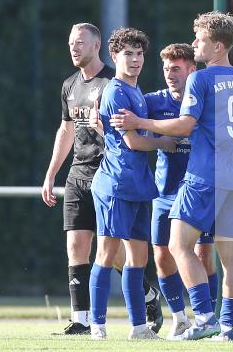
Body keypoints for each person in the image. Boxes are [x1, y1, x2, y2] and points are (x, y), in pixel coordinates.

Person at [111, 12, 233, 342]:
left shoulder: (201, 78)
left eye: (200, 38)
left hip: (203, 177)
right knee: (230, 256)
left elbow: (184, 126)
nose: (194, 43)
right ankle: (228, 328)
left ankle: (205, 317)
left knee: (178, 245)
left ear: (218, 45)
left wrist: (143, 122)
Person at [41, 23, 163, 335]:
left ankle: (144, 298)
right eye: (71, 43)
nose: (73, 47)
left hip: (109, 173)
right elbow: (67, 130)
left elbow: (127, 137)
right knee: (78, 245)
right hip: (79, 175)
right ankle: (83, 320)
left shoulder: (113, 83)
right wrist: (51, 172)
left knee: (114, 250)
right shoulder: (70, 85)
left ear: (97, 46)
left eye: (80, 42)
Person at [88, 27, 176, 340]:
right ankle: (97, 325)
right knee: (107, 254)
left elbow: (125, 134)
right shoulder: (116, 91)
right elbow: (134, 143)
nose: (135, 59)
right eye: (128, 53)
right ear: (114, 56)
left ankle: (138, 327)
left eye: (139, 53)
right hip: (116, 184)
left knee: (138, 259)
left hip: (138, 184)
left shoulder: (136, 92)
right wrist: (164, 141)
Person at [145, 43, 217, 339]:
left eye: (176, 68)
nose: (170, 75)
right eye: (166, 69)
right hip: (165, 191)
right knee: (162, 256)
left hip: (199, 189)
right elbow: (118, 121)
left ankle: (209, 317)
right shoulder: (152, 101)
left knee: (203, 256)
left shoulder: (205, 99)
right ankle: (180, 317)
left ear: (192, 69)